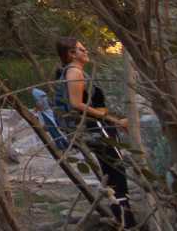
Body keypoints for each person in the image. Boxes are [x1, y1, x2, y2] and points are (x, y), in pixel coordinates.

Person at [54, 36, 135, 228]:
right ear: (71, 54)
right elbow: (76, 104)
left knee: (114, 173)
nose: (86, 51)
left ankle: (123, 219)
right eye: (82, 49)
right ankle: (127, 222)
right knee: (117, 173)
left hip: (98, 126)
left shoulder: (74, 71)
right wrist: (112, 120)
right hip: (96, 128)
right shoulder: (74, 72)